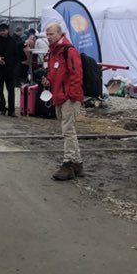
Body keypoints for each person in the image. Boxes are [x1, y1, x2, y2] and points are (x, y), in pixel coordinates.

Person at [41, 20, 85, 181]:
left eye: (51, 34)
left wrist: (72, 95)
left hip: (67, 96)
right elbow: (55, 72)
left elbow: (76, 75)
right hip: (60, 95)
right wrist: (49, 80)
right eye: (47, 34)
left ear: (60, 33)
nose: (48, 37)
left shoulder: (68, 51)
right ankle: (77, 163)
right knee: (68, 130)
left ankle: (68, 163)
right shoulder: (55, 51)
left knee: (68, 131)